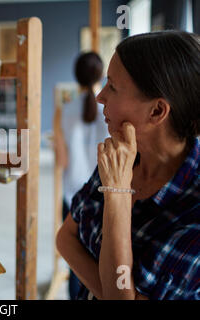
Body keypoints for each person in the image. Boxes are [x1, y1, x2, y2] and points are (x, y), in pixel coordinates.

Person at [56, 30, 199, 300]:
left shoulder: (192, 211)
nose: (100, 97)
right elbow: (64, 238)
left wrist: (118, 193)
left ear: (157, 111)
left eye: (112, 86)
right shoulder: (123, 154)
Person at [54, 52, 109, 299]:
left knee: (75, 259)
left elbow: (62, 161)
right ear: (101, 74)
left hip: (73, 193)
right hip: (109, 194)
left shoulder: (64, 111)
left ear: (76, 76)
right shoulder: (112, 110)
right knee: (100, 259)